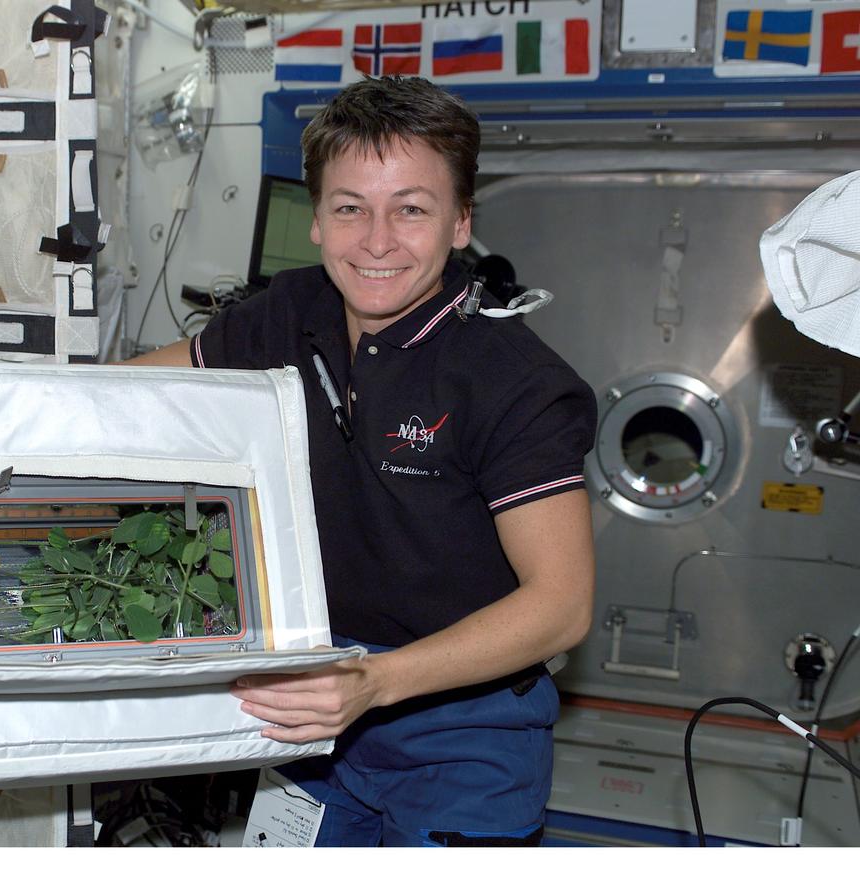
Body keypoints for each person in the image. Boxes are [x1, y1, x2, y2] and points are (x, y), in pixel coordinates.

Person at [127, 76, 596, 846]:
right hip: (315, 704)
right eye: (350, 208)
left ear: (460, 222)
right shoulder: (290, 312)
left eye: (411, 209)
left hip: (463, 726)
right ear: (316, 218)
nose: (377, 242)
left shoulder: (513, 380)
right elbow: (126, 394)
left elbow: (561, 606)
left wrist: (375, 682)